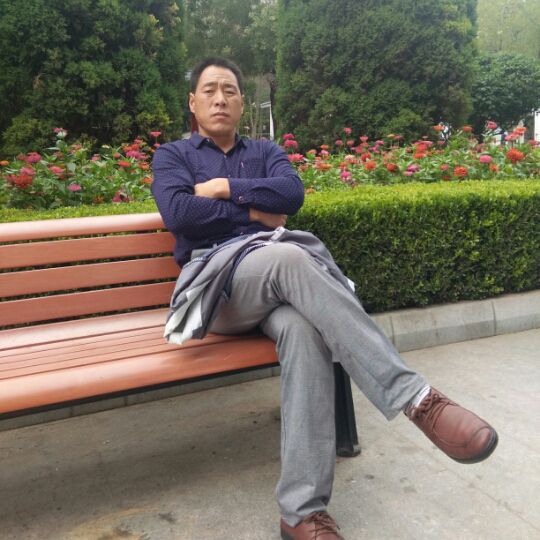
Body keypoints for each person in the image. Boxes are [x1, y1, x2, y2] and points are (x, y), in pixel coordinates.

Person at [151, 58, 498, 540]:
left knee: (303, 330)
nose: (220, 98)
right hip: (217, 288)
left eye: (229, 90)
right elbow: (180, 213)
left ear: (242, 102)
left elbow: (291, 195)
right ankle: (417, 399)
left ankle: (301, 512)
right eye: (209, 90)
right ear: (193, 102)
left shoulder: (265, 151)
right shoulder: (173, 156)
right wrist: (255, 215)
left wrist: (227, 189)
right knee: (290, 257)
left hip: (275, 284)